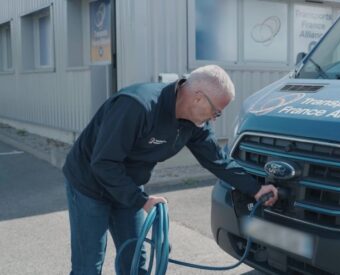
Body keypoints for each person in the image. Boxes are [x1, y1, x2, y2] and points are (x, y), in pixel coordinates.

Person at [62, 65, 279, 275]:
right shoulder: (137, 106)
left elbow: (216, 160)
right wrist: (141, 201)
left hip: (128, 185)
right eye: (216, 112)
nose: (214, 118)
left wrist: (255, 189)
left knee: (136, 262)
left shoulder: (193, 123)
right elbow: (104, 164)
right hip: (89, 185)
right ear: (198, 98)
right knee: (88, 266)